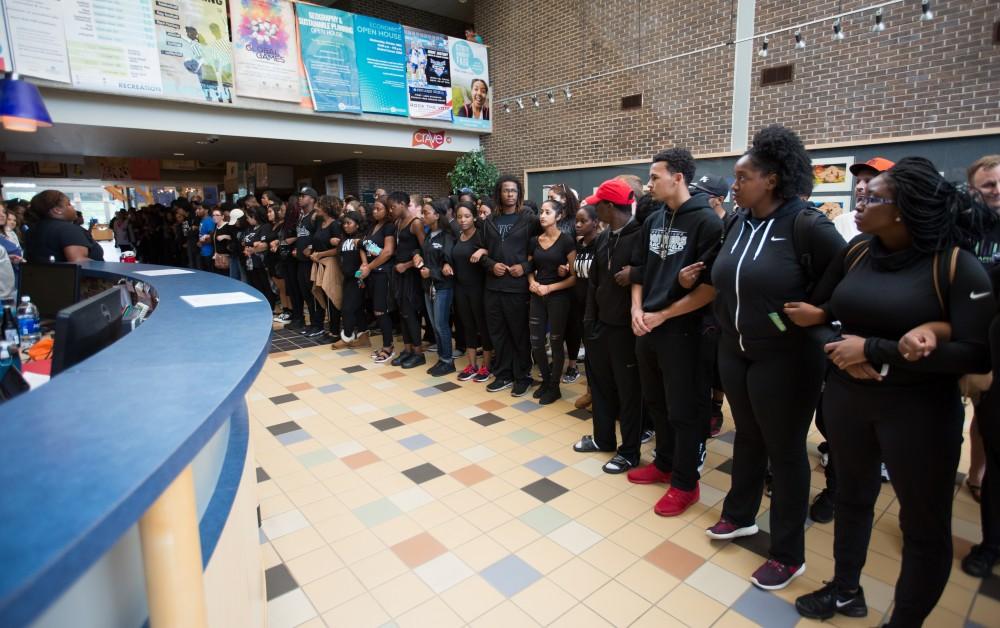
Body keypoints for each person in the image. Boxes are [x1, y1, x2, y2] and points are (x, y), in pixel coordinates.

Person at [793, 157, 995, 625]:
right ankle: (845, 591)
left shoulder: (955, 267)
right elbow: (816, 315)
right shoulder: (859, 251)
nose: (860, 201)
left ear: (905, 210)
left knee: (922, 528)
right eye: (862, 194)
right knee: (851, 499)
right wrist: (836, 348)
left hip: (917, 413)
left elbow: (978, 356)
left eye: (874, 197)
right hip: (847, 400)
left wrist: (876, 350)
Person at [703, 125, 846, 590]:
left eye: (742, 177)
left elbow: (851, 282)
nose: (734, 184)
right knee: (748, 438)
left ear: (771, 179)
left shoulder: (808, 225)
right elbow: (729, 277)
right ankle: (740, 515)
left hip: (786, 359)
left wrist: (822, 311)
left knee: (786, 454)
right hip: (736, 350)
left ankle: (788, 553)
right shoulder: (737, 222)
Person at [626, 150, 723, 517]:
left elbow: (710, 288)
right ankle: (664, 463)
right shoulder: (653, 219)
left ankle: (686, 483)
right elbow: (638, 270)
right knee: (657, 402)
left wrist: (663, 314)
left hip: (685, 331)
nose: (649, 184)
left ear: (677, 177)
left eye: (655, 176)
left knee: (685, 409)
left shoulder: (707, 224)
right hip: (648, 326)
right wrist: (638, 309)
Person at [575, 186, 644, 473]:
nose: (595, 211)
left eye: (598, 206)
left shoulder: (640, 236)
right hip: (600, 327)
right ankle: (603, 438)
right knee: (600, 387)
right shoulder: (604, 238)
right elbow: (593, 283)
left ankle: (629, 452)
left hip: (626, 330)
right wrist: (590, 320)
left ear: (610, 207)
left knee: (629, 393)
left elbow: (652, 275)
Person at [962, 154, 1000, 578]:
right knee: (983, 426)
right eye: (988, 185)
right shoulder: (968, 231)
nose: (996, 192)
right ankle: (991, 542)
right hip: (973, 344)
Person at [481, 176, 541, 397]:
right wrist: (491, 265)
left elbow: (542, 253)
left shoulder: (530, 220)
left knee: (518, 333)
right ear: (499, 193)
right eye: (506, 191)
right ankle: (504, 374)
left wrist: (524, 267)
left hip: (517, 287)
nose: (509, 194)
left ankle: (522, 376)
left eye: (514, 191)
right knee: (498, 334)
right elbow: (480, 251)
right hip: (493, 287)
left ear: (519, 194)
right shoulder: (489, 222)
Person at [527, 199, 577, 404]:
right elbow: (530, 269)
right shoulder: (533, 241)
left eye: (548, 212)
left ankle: (555, 387)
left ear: (559, 216)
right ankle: (546, 381)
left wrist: (550, 287)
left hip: (558, 296)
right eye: (541, 211)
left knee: (556, 342)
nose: (542, 215)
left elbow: (574, 277)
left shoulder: (566, 241)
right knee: (537, 343)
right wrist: (532, 282)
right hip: (537, 294)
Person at [451, 201, 493, 382]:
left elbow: (493, 251)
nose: (463, 220)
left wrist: (483, 250)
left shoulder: (481, 236)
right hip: (460, 288)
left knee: (482, 327)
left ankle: (486, 366)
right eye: (459, 217)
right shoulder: (457, 237)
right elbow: (452, 256)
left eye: (467, 216)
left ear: (474, 217)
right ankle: (471, 365)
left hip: (479, 288)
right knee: (467, 326)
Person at [415, 199, 457, 376]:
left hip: (442, 287)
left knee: (441, 325)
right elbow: (426, 256)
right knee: (434, 325)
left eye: (426, 212)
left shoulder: (447, 237)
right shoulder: (428, 236)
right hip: (428, 287)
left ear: (437, 215)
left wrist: (431, 273)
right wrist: (417, 256)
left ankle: (448, 361)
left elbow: (450, 267)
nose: (422, 216)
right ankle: (442, 358)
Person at [387, 191, 426, 369]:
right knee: (402, 312)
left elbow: (424, 250)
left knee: (410, 313)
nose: (391, 210)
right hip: (399, 274)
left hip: (411, 274)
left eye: (393, 206)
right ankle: (408, 349)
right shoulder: (398, 223)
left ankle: (418, 353)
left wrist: (408, 265)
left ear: (403, 204)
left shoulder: (415, 223)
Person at [566, 203, 598, 392]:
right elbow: (577, 272)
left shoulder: (601, 244)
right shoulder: (578, 245)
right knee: (582, 344)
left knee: (594, 351)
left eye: (583, 221)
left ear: (595, 222)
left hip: (593, 305)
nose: (578, 225)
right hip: (577, 303)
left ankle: (595, 391)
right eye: (577, 221)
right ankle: (590, 391)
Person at [360, 199, 397, 363]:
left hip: (383, 273)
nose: (375, 211)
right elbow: (363, 245)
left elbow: (388, 252)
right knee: (376, 311)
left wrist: (370, 266)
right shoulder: (371, 226)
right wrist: (365, 264)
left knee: (381, 311)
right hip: (373, 272)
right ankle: (386, 345)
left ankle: (388, 347)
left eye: (378, 208)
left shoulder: (389, 226)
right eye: (373, 208)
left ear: (387, 210)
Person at [23, 190, 105, 263]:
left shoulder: (33, 230)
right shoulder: (68, 229)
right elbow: (79, 262)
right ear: (57, 210)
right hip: (71, 279)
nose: (73, 207)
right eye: (68, 204)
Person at [308, 196, 344, 340]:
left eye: (319, 205)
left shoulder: (335, 225)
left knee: (332, 296)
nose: (316, 207)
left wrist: (320, 254)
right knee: (321, 295)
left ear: (327, 207)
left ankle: (334, 331)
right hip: (319, 263)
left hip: (331, 264)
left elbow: (339, 248)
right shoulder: (319, 222)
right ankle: (329, 328)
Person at [334, 210, 370, 349]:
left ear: (358, 225)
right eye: (344, 223)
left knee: (347, 309)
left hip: (358, 279)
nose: (346, 226)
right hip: (347, 278)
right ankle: (364, 338)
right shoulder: (344, 239)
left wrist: (360, 275)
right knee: (357, 308)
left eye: (349, 223)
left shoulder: (362, 239)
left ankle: (347, 336)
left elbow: (370, 254)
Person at [288, 188, 322, 333]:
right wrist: (297, 247)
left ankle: (318, 325)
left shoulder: (316, 216)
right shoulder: (303, 216)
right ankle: (312, 323)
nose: (300, 198)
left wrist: (311, 247)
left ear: (313, 199)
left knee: (313, 293)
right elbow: (302, 236)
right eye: (300, 196)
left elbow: (320, 236)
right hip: (301, 260)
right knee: (305, 293)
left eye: (304, 196)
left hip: (311, 261)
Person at [241, 205, 277, 312]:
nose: (247, 220)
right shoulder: (250, 228)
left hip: (261, 262)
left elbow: (262, 244)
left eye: (249, 217)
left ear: (255, 216)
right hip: (250, 262)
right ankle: (260, 307)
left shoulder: (265, 227)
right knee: (255, 286)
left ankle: (269, 307)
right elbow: (244, 242)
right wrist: (251, 245)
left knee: (266, 286)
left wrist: (251, 246)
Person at [198, 203, 216, 271]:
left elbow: (211, 237)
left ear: (206, 210)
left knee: (210, 273)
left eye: (200, 209)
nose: (198, 210)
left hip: (209, 251)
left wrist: (201, 243)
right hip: (204, 250)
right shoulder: (203, 220)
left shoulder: (209, 221)